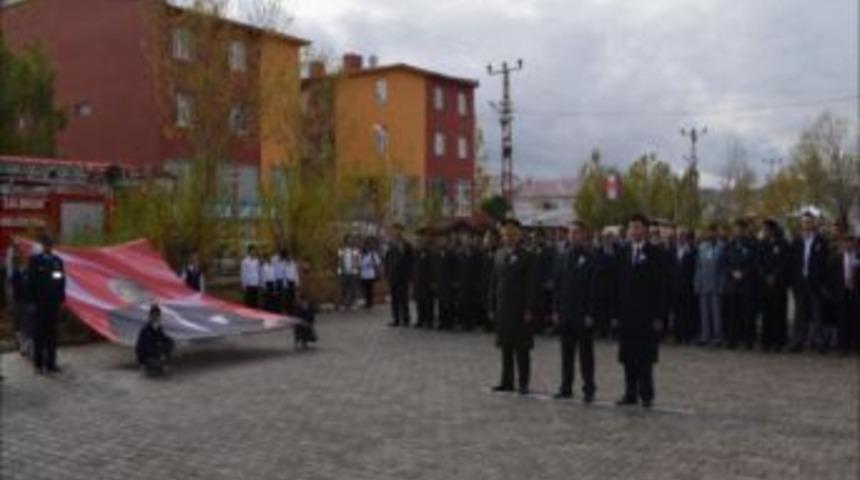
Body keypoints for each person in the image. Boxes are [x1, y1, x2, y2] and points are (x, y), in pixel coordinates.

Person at [613, 214, 665, 408]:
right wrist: (615, 314)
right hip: (626, 314)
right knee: (628, 356)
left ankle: (647, 394)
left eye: (638, 227)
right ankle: (630, 393)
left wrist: (659, 315)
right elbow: (616, 286)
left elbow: (662, 287)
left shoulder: (656, 253)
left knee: (645, 357)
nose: (634, 231)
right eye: (631, 227)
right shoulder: (622, 253)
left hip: (647, 315)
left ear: (645, 230)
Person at [489, 218, 536, 395]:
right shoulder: (499, 254)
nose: (508, 237)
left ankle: (523, 383)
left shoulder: (527, 256)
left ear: (519, 235)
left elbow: (531, 285)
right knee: (505, 347)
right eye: (505, 234)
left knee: (522, 349)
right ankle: (506, 381)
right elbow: (493, 283)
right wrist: (492, 305)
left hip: (520, 309)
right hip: (503, 308)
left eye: (511, 233)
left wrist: (529, 308)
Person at [552, 221, 597, 402]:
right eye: (570, 233)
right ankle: (566, 387)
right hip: (565, 313)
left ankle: (589, 388)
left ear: (584, 235)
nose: (573, 236)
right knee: (566, 354)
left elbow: (594, 289)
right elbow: (557, 286)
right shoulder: (562, 257)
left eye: (577, 232)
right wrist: (555, 310)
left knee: (586, 355)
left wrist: (590, 313)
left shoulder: (591, 257)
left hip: (583, 314)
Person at [788, 212, 830, 353]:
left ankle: (819, 343)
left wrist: (823, 282)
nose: (807, 224)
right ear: (801, 224)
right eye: (804, 222)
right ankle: (797, 342)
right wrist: (793, 282)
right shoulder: (796, 241)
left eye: (809, 222)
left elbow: (824, 264)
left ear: (813, 223)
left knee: (817, 314)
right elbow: (792, 263)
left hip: (815, 283)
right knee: (800, 314)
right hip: (800, 283)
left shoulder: (821, 241)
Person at [28, 235, 67, 375]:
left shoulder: (57, 262)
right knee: (39, 334)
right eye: (46, 244)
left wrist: (61, 299)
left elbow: (60, 281)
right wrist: (31, 302)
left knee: (52, 334)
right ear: (43, 246)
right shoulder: (35, 261)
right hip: (39, 303)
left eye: (51, 244)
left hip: (53, 303)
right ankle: (38, 364)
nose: (49, 247)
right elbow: (31, 283)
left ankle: (51, 363)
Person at [721, 219, 759, 349]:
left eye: (739, 229)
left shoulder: (751, 245)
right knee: (732, 315)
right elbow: (724, 263)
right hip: (732, 285)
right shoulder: (729, 245)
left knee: (747, 315)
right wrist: (732, 272)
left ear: (744, 230)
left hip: (747, 285)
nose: (737, 231)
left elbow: (755, 263)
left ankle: (749, 341)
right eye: (735, 229)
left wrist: (744, 273)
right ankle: (732, 340)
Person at [758, 219, 790, 352]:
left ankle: (779, 342)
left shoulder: (783, 243)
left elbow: (785, 263)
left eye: (765, 229)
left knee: (779, 313)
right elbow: (758, 262)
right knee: (767, 313)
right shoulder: (762, 244)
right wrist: (765, 276)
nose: (764, 231)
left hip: (779, 284)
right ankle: (766, 341)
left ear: (772, 229)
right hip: (764, 284)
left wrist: (775, 276)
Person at [827, 234, 859, 354]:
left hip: (855, 293)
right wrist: (832, 292)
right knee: (842, 320)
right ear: (842, 244)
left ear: (854, 244)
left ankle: (855, 345)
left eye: (851, 242)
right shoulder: (835, 258)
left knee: (855, 319)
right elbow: (829, 276)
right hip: (841, 292)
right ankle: (842, 346)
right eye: (846, 242)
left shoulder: (857, 257)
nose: (848, 245)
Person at [694, 224, 724, 346]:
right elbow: (698, 267)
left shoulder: (722, 247)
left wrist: (722, 284)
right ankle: (705, 336)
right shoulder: (702, 247)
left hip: (716, 283)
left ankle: (717, 337)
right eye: (709, 232)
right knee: (704, 312)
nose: (711, 234)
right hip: (703, 283)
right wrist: (696, 283)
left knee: (716, 312)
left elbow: (723, 268)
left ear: (717, 233)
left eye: (714, 232)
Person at [671, 228, 698, 344]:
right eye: (679, 236)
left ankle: (687, 335)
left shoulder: (692, 251)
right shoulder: (674, 250)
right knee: (677, 311)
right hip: (676, 285)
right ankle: (678, 335)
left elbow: (694, 269)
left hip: (687, 285)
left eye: (683, 236)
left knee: (687, 311)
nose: (681, 238)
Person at [384, 223, 413, 327]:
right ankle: (396, 319)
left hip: (403, 276)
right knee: (394, 299)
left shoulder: (406, 245)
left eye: (398, 230)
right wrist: (387, 273)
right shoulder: (390, 245)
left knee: (403, 299)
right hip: (393, 276)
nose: (396, 232)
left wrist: (410, 276)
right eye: (394, 230)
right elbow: (387, 260)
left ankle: (406, 319)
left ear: (401, 231)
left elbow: (410, 261)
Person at [592, 228, 620, 339]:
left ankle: (613, 331)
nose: (607, 240)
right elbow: (596, 267)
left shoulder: (618, 250)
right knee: (601, 309)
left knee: (613, 309)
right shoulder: (597, 251)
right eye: (605, 238)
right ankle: (601, 330)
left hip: (613, 284)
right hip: (601, 284)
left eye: (610, 238)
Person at [457, 227, 485, 331]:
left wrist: (478, 282)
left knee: (472, 303)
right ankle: (464, 322)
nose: (466, 240)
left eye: (468, 238)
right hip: (463, 282)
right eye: (464, 238)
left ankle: (472, 323)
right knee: (463, 303)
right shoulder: (459, 253)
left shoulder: (478, 254)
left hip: (473, 283)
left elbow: (480, 269)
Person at [135, 304, 175, 377]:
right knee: (157, 365)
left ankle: (161, 364)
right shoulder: (145, 329)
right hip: (147, 356)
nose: (156, 317)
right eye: (154, 315)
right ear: (150, 316)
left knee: (170, 343)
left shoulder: (158, 327)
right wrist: (158, 354)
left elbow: (163, 337)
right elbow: (142, 348)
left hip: (155, 352)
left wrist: (169, 341)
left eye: (157, 315)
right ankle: (148, 367)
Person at [10, 246, 34, 358]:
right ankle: (22, 344)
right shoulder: (16, 273)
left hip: (28, 302)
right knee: (17, 325)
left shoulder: (32, 273)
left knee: (27, 325)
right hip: (18, 301)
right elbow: (12, 286)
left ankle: (26, 346)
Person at [413, 228, 437, 328]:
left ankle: (429, 321)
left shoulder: (431, 251)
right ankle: (420, 320)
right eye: (419, 238)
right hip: (418, 281)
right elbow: (414, 267)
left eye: (422, 238)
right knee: (419, 301)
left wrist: (433, 281)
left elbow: (434, 267)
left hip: (428, 281)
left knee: (428, 302)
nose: (420, 240)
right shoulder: (417, 252)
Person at [435, 232, 459, 330]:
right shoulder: (437, 254)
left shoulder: (452, 254)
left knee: (449, 303)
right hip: (440, 282)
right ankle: (442, 322)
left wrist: (455, 281)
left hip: (449, 282)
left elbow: (456, 268)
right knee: (440, 302)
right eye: (440, 240)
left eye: (443, 240)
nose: (441, 242)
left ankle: (450, 322)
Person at [336, 236, 361, 310]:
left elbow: (357, 260)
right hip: (344, 272)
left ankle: (352, 302)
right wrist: (339, 271)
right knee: (344, 288)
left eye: (350, 240)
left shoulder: (355, 250)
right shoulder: (341, 250)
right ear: (345, 241)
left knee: (353, 288)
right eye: (348, 240)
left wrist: (357, 269)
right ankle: (344, 303)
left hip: (353, 272)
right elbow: (339, 260)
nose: (349, 242)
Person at [359, 240, 382, 309]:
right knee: (364, 289)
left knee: (369, 289)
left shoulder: (372, 254)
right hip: (363, 274)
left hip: (370, 274)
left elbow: (378, 263)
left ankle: (370, 302)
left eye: (367, 247)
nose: (366, 248)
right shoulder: (361, 254)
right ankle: (367, 301)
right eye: (365, 247)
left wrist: (371, 264)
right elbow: (358, 262)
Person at [282, 249, 300, 314]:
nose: (289, 257)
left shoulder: (293, 264)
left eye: (290, 256)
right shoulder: (284, 265)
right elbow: (283, 275)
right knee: (287, 297)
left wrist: (297, 283)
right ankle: (287, 310)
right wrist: (284, 283)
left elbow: (296, 274)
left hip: (292, 282)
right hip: (287, 282)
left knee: (293, 296)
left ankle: (293, 310)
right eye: (287, 256)